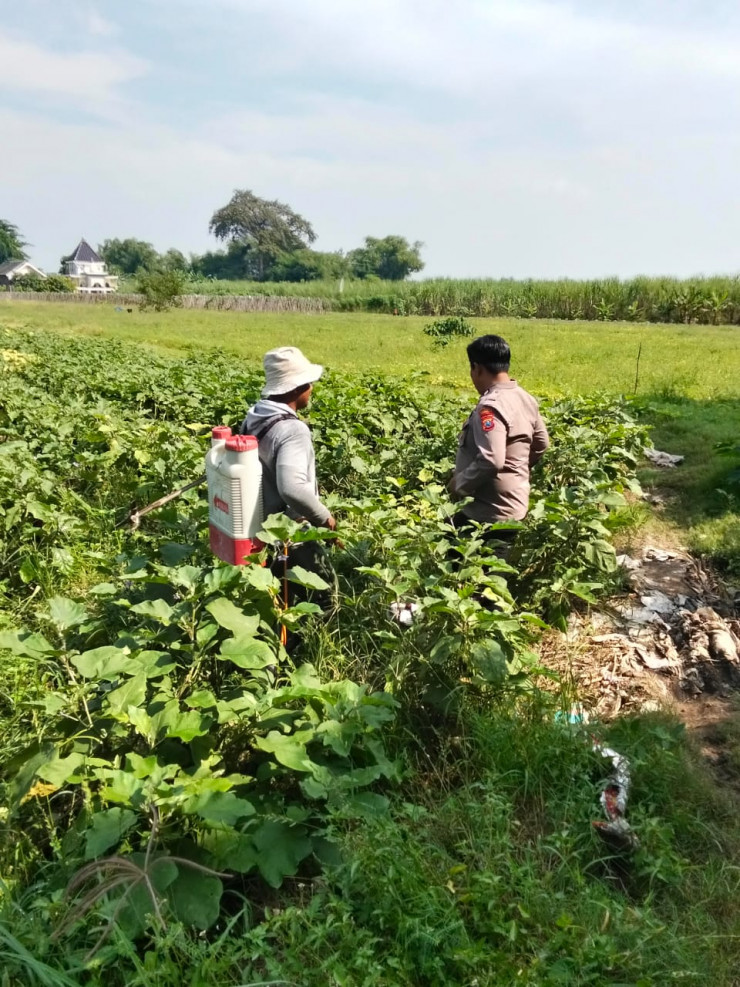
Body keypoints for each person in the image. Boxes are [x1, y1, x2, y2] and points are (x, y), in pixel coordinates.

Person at [241, 346, 337, 617]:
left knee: (279, 596)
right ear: (296, 388)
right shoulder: (293, 429)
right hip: (290, 530)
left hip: (261, 526)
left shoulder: (256, 415)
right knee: (326, 594)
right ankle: (312, 648)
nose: (311, 388)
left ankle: (282, 648)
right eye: (308, 383)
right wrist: (325, 518)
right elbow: (293, 488)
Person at [448, 334, 549, 556]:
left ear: (477, 368)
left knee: (472, 576)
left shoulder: (490, 407)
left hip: (487, 511)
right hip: (514, 504)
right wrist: (516, 470)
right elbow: (541, 443)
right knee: (491, 575)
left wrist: (459, 484)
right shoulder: (525, 398)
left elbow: (492, 459)